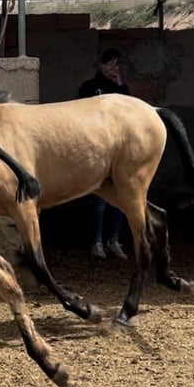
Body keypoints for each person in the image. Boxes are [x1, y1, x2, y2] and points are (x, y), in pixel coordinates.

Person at [78, 48, 130, 259]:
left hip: (118, 146)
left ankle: (113, 240)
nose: (112, 68)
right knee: (100, 198)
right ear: (99, 65)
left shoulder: (120, 88)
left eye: (116, 64)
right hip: (98, 145)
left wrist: (120, 85)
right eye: (109, 64)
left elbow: (129, 111)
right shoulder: (89, 87)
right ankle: (96, 242)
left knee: (120, 196)